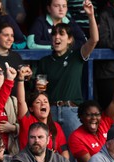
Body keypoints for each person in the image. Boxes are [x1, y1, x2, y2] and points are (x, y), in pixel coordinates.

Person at [36, 0, 98, 141]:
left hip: (72, 111)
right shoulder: (45, 61)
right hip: (50, 110)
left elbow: (94, 40)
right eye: (54, 34)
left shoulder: (76, 56)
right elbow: (40, 90)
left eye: (61, 34)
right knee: (51, 150)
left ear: (70, 40)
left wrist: (91, 16)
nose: (57, 37)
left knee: (76, 150)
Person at [68, 64, 114, 162]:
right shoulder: (76, 137)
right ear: (81, 117)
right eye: (89, 115)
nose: (94, 118)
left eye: (97, 114)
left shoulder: (105, 122)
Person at [16, 66, 69, 159]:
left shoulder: (56, 126)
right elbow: (21, 101)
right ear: (31, 108)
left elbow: (64, 150)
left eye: (45, 101)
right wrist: (20, 80)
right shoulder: (27, 121)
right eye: (38, 102)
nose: (42, 104)